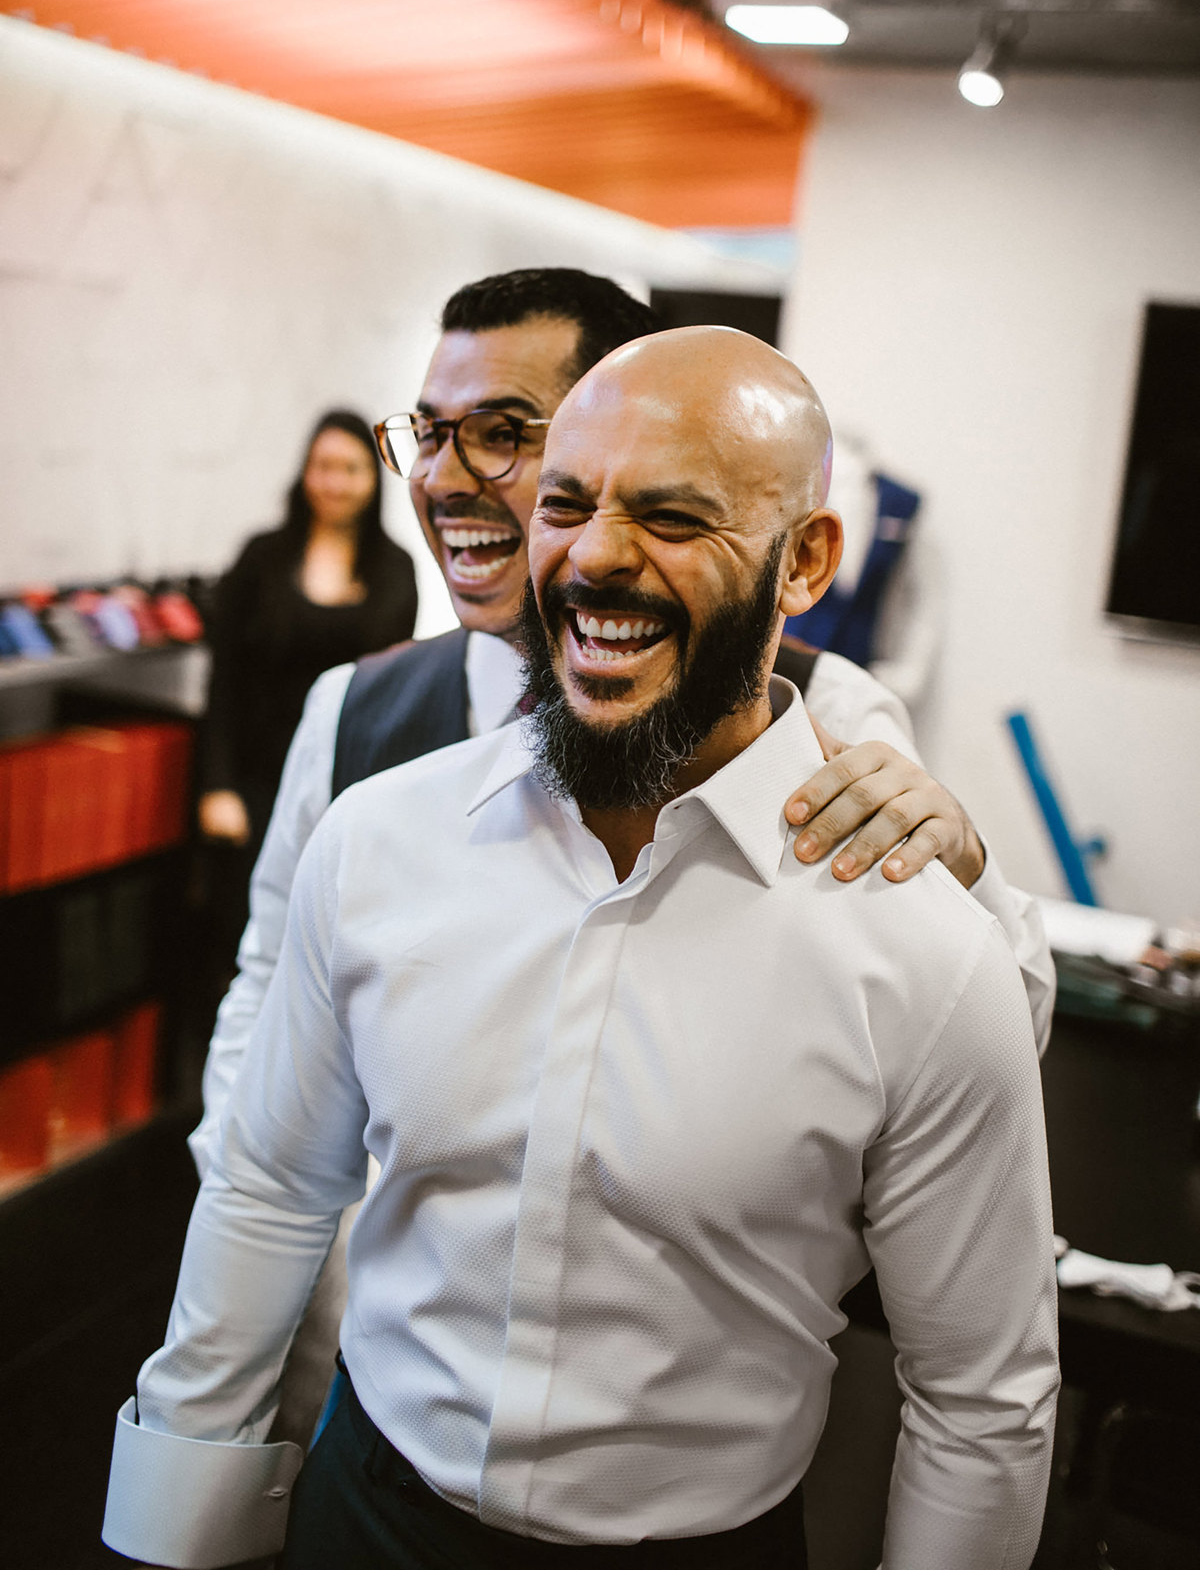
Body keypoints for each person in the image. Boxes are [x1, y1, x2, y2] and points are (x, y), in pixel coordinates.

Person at [104, 326, 1059, 1569]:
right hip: (362, 1513)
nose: (596, 555)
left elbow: (981, 1399)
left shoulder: (917, 939)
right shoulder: (384, 838)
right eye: (566, 501)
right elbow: (273, 1184)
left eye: (671, 516)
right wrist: (176, 1527)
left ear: (807, 559)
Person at [193, 272, 1052, 1185]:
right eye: (431, 435)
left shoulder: (824, 709)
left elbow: (996, 1030)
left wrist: (967, 866)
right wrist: (254, 1217)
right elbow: (268, 985)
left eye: (497, 435)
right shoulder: (350, 709)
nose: (443, 480)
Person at [197, 409, 419, 855]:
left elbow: (392, 694)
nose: (334, 482)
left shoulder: (396, 569)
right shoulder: (260, 558)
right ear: (304, 473)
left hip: (346, 783)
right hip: (254, 781)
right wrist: (216, 786)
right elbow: (224, 680)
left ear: (373, 479)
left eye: (350, 469)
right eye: (323, 467)